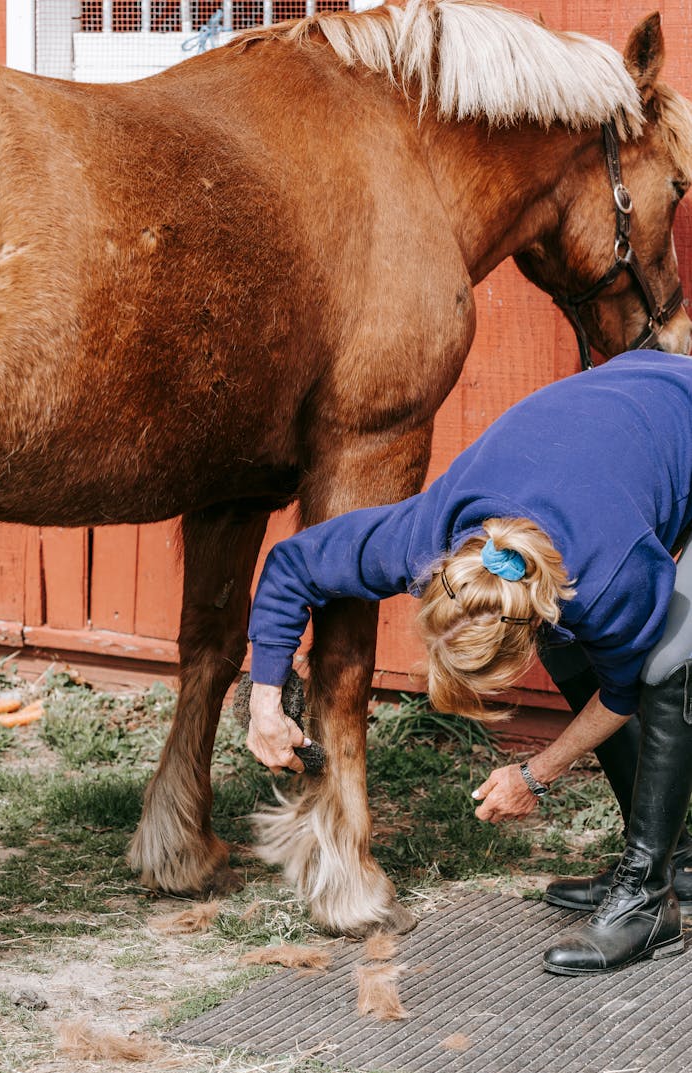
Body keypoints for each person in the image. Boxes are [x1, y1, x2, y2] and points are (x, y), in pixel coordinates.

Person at [245, 349, 692, 975]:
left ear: (527, 625)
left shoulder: (610, 577)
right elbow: (293, 566)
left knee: (668, 662)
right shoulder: (422, 539)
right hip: (631, 404)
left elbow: (622, 695)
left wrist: (535, 773)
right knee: (584, 650)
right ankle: (674, 856)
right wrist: (265, 697)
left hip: (672, 418)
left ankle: (649, 899)